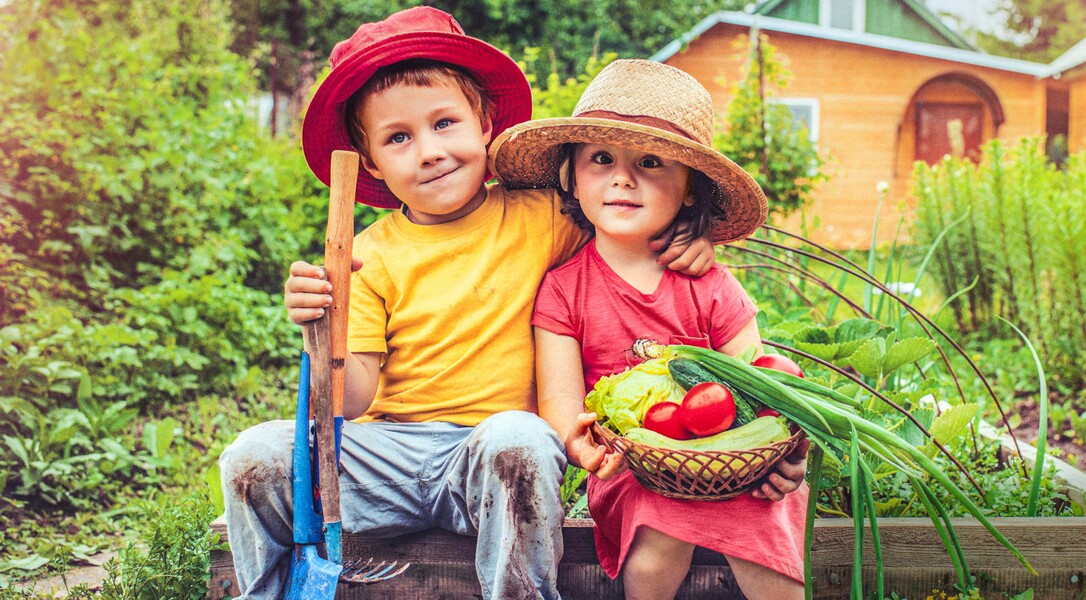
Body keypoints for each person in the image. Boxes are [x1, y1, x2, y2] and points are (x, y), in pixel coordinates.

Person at [217, 9, 716, 599]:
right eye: (398, 138)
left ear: (484, 124)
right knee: (253, 455)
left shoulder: (544, 215)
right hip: (385, 456)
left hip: (491, 456)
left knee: (521, 438)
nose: (428, 152)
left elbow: (629, 230)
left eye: (444, 123)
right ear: (372, 163)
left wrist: (689, 235)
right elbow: (352, 400)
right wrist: (322, 330)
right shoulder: (365, 256)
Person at [492, 59, 809, 600]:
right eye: (601, 158)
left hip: (732, 461)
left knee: (769, 548)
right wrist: (585, 443)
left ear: (690, 189)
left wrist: (785, 458)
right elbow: (565, 412)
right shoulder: (564, 290)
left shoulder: (709, 281)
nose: (622, 177)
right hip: (634, 465)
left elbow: (762, 390)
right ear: (571, 175)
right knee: (653, 557)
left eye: (651, 161)